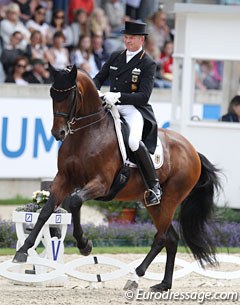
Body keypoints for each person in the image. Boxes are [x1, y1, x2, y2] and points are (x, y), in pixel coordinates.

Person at [93, 21, 162, 205]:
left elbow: (144, 96)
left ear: (141, 39)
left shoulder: (148, 63)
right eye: (126, 37)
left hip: (133, 108)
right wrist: (95, 91)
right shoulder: (116, 56)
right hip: (111, 104)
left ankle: (154, 186)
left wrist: (118, 96)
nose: (127, 40)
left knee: (132, 141)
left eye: (131, 37)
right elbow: (99, 78)